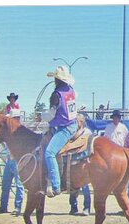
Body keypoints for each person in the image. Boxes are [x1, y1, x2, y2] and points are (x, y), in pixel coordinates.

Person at [41, 65, 79, 197]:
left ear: (57, 80)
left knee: (49, 153)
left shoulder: (56, 95)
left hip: (65, 127)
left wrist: (41, 116)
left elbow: (51, 115)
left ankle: (56, 186)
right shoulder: (71, 90)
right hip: (74, 123)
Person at [0, 109, 25, 216]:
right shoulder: (12, 132)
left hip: (17, 160)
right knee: (6, 184)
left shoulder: (21, 132)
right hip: (11, 160)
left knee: (18, 185)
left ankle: (17, 207)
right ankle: (4, 206)